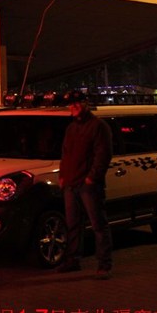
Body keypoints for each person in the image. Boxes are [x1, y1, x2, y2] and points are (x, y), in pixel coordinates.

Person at [57, 90, 113, 280]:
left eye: (77, 103)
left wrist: (92, 177)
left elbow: (103, 155)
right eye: (71, 104)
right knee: (73, 224)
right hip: (71, 184)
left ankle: (104, 264)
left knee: (98, 224)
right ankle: (73, 260)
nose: (73, 107)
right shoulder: (71, 128)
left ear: (85, 104)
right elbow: (65, 154)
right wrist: (63, 176)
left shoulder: (98, 126)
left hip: (89, 185)